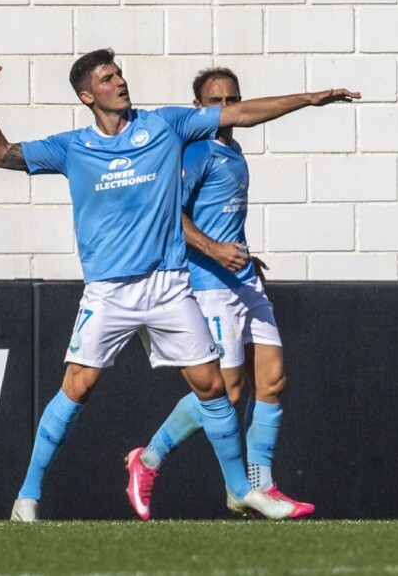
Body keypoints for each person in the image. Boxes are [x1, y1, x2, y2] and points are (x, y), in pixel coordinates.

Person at [0, 46, 359, 522]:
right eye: (107, 79)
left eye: (120, 74)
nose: (120, 82)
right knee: (78, 387)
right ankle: (27, 496)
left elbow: (243, 113)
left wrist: (310, 98)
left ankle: (240, 490)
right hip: (110, 291)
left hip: (168, 285)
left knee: (214, 387)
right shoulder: (73, 147)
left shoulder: (165, 125)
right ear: (87, 95)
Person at [123, 68, 313, 521]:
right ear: (198, 108)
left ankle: (260, 486)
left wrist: (247, 257)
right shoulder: (197, 151)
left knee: (271, 381)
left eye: (232, 99)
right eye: (215, 101)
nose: (224, 108)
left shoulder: (235, 150)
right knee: (225, 395)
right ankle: (146, 460)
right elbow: (169, 213)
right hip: (207, 285)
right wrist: (213, 250)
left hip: (243, 280)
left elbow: (221, 217)